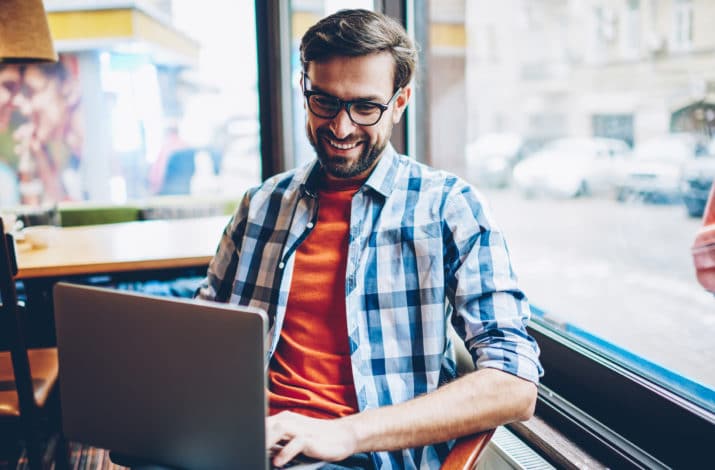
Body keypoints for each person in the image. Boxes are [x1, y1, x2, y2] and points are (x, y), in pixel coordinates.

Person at [197, 9, 542, 469]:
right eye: (324, 101)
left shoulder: (449, 208)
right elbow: (197, 333)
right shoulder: (260, 205)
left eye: (365, 107)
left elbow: (515, 385)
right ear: (305, 91)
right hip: (241, 445)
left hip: (363, 457)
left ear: (400, 103)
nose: (340, 129)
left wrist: (345, 433)